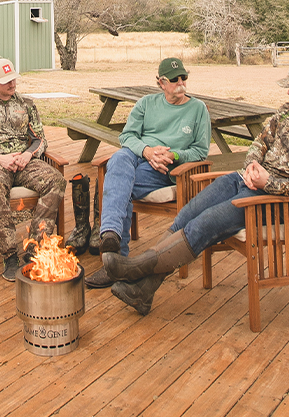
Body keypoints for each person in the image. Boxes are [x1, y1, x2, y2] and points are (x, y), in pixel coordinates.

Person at [102, 59, 289, 316]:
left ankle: (136, 268)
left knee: (205, 223)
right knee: (189, 213)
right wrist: (253, 164)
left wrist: (269, 183)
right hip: (244, 181)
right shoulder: (288, 113)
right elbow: (259, 143)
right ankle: (144, 289)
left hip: (277, 202)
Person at [85, 57, 212, 289]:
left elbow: (201, 152)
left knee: (118, 185)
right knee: (119, 158)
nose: (181, 82)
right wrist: (147, 151)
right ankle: (112, 237)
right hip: (140, 155)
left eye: (183, 77)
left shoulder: (198, 109)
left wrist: (174, 155)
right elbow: (127, 136)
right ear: (161, 83)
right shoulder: (146, 103)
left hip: (167, 168)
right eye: (174, 79)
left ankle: (114, 258)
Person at [0, 58, 67, 282]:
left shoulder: (26, 104)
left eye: (13, 79)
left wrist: (28, 154)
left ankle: (35, 248)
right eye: (6, 81)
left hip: (24, 161)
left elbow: (40, 140)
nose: (12, 84)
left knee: (56, 180)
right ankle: (9, 255)